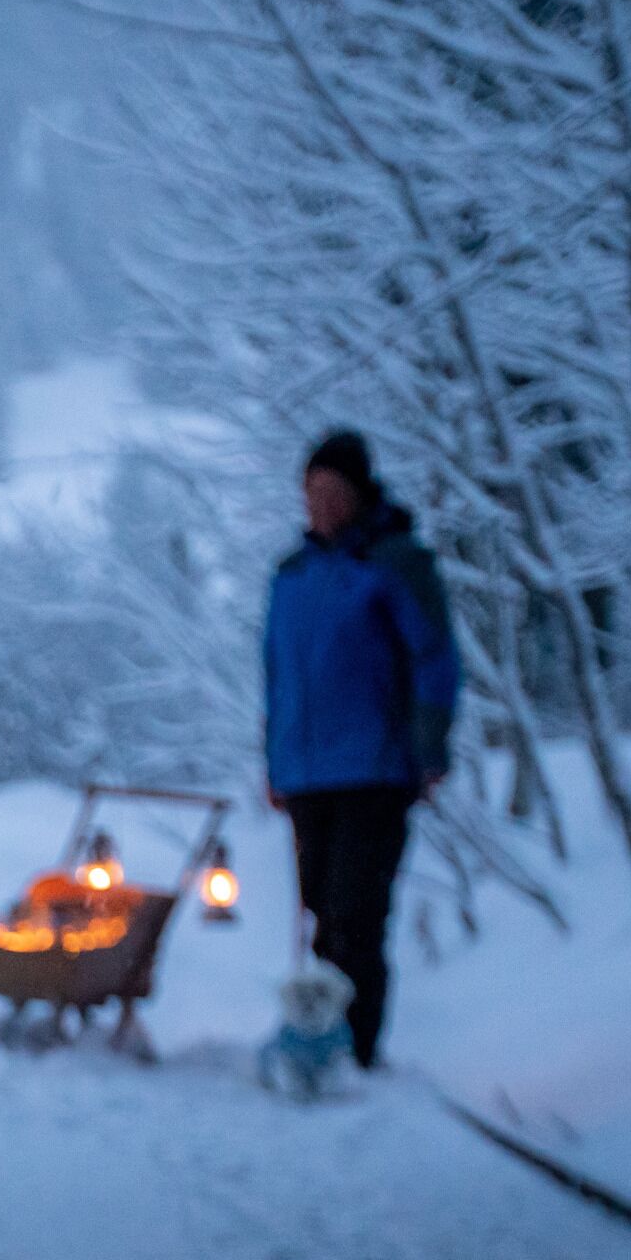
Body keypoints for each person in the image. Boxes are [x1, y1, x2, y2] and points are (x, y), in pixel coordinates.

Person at [262, 428, 458, 1072]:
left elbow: (434, 658)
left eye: (333, 490)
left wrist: (429, 747)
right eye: (311, 490)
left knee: (356, 913)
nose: (320, 503)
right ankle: (320, 1040)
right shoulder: (291, 575)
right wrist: (273, 763)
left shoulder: (394, 563)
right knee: (320, 912)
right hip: (306, 772)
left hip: (375, 766)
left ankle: (359, 1049)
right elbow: (276, 676)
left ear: (359, 491)